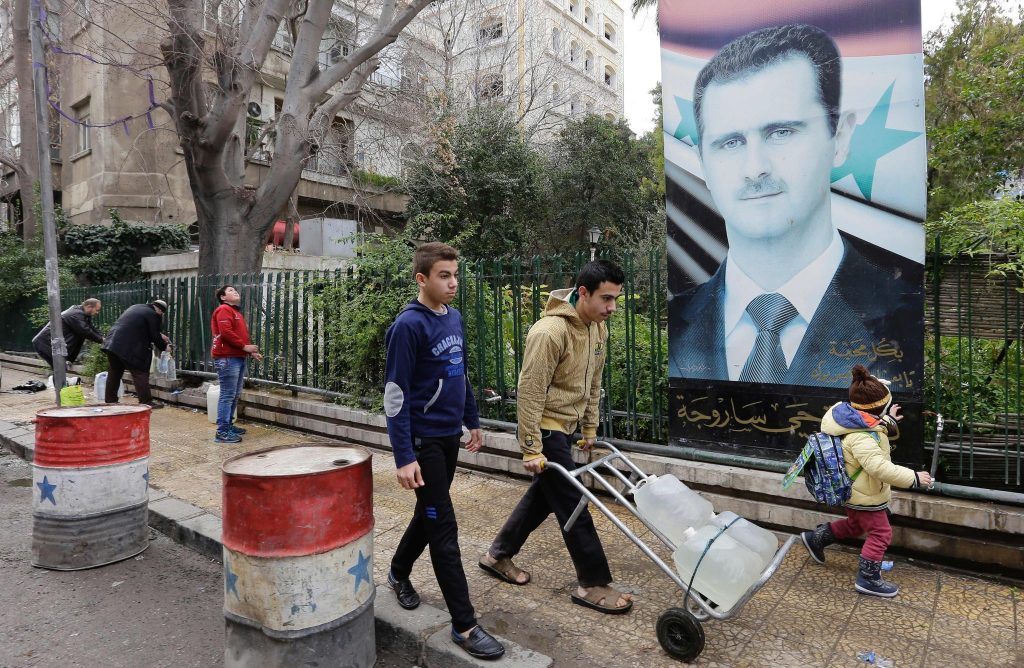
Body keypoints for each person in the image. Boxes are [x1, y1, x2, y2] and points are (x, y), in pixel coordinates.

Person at [667, 24, 922, 387]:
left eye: (781, 132)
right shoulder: (677, 323)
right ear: (702, 162)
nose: (755, 168)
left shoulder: (905, 317)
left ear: (841, 137)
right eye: (731, 142)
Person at [479, 259, 634, 615]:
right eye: (606, 298)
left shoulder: (597, 329)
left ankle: (497, 555)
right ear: (583, 293)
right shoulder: (549, 332)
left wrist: (590, 428)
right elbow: (530, 392)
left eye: (616, 299)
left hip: (567, 427)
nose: (612, 307)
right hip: (546, 429)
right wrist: (531, 447)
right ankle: (592, 582)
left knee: (543, 498)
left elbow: (594, 382)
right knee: (573, 502)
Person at [383, 242, 504, 661]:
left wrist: (472, 419)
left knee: (429, 512)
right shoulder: (408, 326)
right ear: (422, 279)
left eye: (455, 274)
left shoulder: (453, 317)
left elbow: (459, 372)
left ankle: (397, 572)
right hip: (423, 443)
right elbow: (395, 394)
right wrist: (403, 455)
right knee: (443, 527)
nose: (453, 283)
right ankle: (464, 625)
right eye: (444, 276)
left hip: (450, 435)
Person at [800, 364, 933, 597]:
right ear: (879, 409)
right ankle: (868, 579)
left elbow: (873, 425)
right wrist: (914, 478)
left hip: (857, 492)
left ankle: (815, 539)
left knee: (856, 525)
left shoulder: (853, 420)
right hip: (865, 495)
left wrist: (889, 420)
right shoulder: (862, 438)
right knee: (881, 533)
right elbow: (878, 467)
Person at [211, 286, 262, 444]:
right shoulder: (224, 309)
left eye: (235, 290)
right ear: (223, 297)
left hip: (236, 357)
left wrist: (249, 352)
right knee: (227, 395)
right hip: (227, 358)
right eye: (230, 290)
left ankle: (228, 426)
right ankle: (222, 432)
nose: (235, 291)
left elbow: (238, 335)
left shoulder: (235, 311)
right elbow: (226, 333)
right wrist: (245, 347)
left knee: (234, 394)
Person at [101, 299, 171, 408]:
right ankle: (146, 402)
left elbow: (134, 326)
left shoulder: (136, 307)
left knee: (114, 372)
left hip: (112, 344)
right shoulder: (153, 314)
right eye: (161, 313)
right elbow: (154, 335)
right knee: (140, 372)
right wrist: (165, 347)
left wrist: (160, 335)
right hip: (128, 347)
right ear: (160, 310)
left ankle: (110, 400)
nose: (160, 315)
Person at [31, 298, 104, 370]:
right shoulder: (75, 314)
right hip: (45, 343)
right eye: (97, 310)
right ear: (89, 307)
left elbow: (91, 328)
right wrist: (102, 340)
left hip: (51, 344)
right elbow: (85, 331)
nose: (97, 312)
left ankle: (58, 376)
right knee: (60, 368)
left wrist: (103, 338)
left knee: (60, 368)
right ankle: (56, 377)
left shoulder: (83, 315)